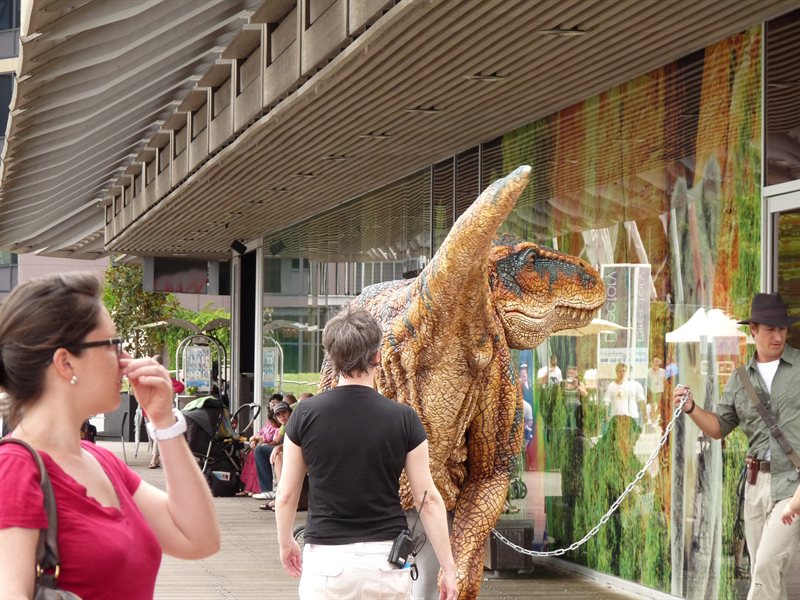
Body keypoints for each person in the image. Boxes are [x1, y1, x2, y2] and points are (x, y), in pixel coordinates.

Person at [0, 272, 220, 598]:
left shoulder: (100, 461)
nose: (124, 360)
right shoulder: (15, 469)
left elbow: (198, 539)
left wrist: (164, 423)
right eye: (113, 344)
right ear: (66, 363)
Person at [275, 303, 458, 600]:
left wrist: (286, 544)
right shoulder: (404, 418)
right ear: (377, 356)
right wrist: (448, 569)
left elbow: (285, 495)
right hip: (386, 562)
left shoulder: (304, 415)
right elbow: (428, 501)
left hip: (325, 562)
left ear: (332, 358)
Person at [673, 292, 800, 600]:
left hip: (792, 484)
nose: (778, 335)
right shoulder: (740, 379)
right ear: (753, 330)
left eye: (782, 328)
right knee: (765, 570)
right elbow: (718, 427)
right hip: (756, 484)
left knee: (766, 568)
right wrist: (691, 408)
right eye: (770, 328)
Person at [647, 357, 666, 429]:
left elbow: (666, 381)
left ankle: (656, 419)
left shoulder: (663, 371)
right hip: (652, 391)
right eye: (654, 361)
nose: (655, 363)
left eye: (657, 361)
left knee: (659, 406)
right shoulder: (648, 372)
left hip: (660, 390)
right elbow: (647, 383)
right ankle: (653, 420)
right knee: (652, 405)